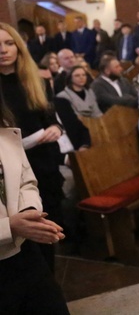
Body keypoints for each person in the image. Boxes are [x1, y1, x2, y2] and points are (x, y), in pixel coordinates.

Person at [0, 23, 65, 272]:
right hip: (12, 172)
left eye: (9, 43)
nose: (4, 50)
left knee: (46, 229)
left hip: (43, 164)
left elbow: (50, 118)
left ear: (18, 47)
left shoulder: (36, 80)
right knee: (23, 239)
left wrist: (56, 129)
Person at [0, 101, 69, 315]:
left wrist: (27, 212)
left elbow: (26, 181)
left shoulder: (4, 131)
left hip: (22, 250)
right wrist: (9, 226)